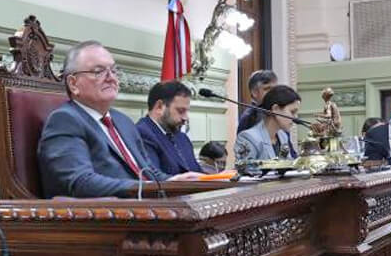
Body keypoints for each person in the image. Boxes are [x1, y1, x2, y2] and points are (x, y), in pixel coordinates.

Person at [37, 41, 200, 198]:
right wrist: (148, 189)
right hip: (107, 218)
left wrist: (172, 182)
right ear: (73, 84)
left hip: (147, 208)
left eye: (114, 70)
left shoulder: (122, 120)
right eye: (98, 71)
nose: (111, 78)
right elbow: (80, 182)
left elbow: (147, 170)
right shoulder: (65, 120)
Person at [136, 80, 203, 176]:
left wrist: (220, 178)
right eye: (180, 111)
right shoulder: (142, 134)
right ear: (159, 106)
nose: (186, 118)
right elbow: (153, 178)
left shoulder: (182, 138)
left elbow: (198, 173)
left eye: (186, 111)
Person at [233, 85, 301, 161]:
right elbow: (247, 170)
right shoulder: (248, 138)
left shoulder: (283, 136)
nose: (295, 118)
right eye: (292, 112)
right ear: (275, 109)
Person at [236, 70, 278, 134]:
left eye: (274, 89)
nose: (273, 93)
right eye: (267, 89)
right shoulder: (248, 118)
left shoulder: (279, 113)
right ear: (254, 92)